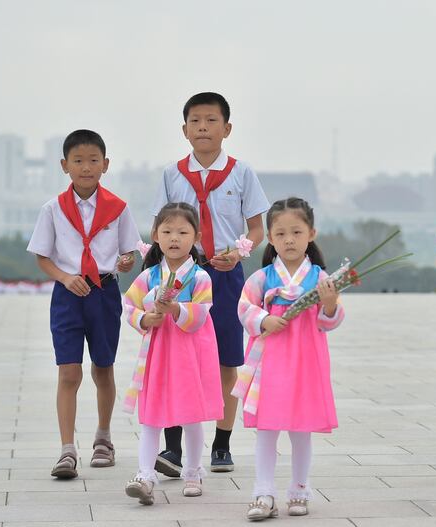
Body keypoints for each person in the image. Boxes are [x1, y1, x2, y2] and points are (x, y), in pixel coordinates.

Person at [151, 91, 269, 474]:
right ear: (184, 130)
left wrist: (238, 253)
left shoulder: (241, 172)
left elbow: (257, 227)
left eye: (211, 120)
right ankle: (172, 448)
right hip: (181, 274)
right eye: (196, 121)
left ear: (227, 128)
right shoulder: (171, 174)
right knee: (175, 356)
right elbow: (160, 225)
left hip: (224, 272)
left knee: (226, 359)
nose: (203, 127)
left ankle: (222, 443)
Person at [27, 129, 139, 479]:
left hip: (104, 294)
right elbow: (42, 258)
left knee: (103, 368)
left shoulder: (118, 208)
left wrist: (125, 262)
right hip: (68, 296)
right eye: (78, 160)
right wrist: (64, 277)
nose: (86, 167)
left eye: (93, 160)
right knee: (69, 372)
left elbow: (130, 251)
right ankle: (66, 449)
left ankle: (103, 439)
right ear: (64, 166)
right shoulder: (53, 210)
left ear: (105, 164)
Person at [236, 197, 344, 520]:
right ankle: (263, 491)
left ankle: (299, 489)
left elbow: (331, 320)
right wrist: (263, 320)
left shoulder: (322, 279)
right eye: (281, 233)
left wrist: (329, 304)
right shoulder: (263, 278)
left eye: (296, 232)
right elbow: (244, 308)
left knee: (301, 429)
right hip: (270, 363)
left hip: (306, 362)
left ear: (311, 233)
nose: (289, 240)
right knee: (267, 429)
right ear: (270, 238)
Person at [122, 202, 223, 504]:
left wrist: (176, 308)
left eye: (182, 231)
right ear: (155, 235)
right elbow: (129, 306)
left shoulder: (200, 278)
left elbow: (202, 312)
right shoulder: (149, 276)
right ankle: (144, 473)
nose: (174, 238)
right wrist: (145, 318)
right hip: (157, 353)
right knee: (151, 414)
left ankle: (192, 471)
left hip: (188, 354)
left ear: (197, 236)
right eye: (167, 231)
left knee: (191, 415)